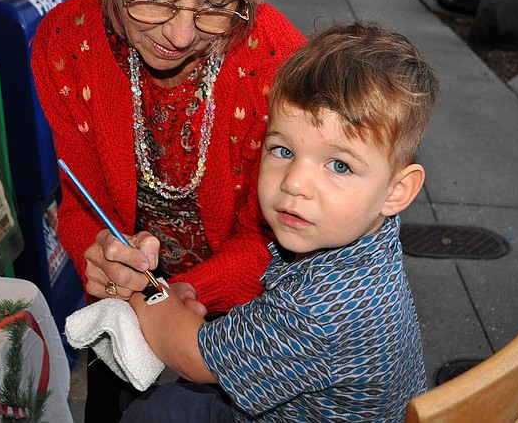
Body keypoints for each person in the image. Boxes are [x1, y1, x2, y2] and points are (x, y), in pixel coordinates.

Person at [29, 0, 306, 420]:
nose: (179, 35)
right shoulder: (65, 42)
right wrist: (104, 257)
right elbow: (80, 202)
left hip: (249, 325)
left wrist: (167, 299)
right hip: (125, 316)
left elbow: (281, 236)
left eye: (215, 3)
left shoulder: (277, 60)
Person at [123, 22, 440, 421]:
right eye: (283, 150)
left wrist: (144, 295)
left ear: (397, 191)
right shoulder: (368, 232)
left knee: (152, 412)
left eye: (339, 165)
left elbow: (192, 357)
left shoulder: (319, 310)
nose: (294, 184)